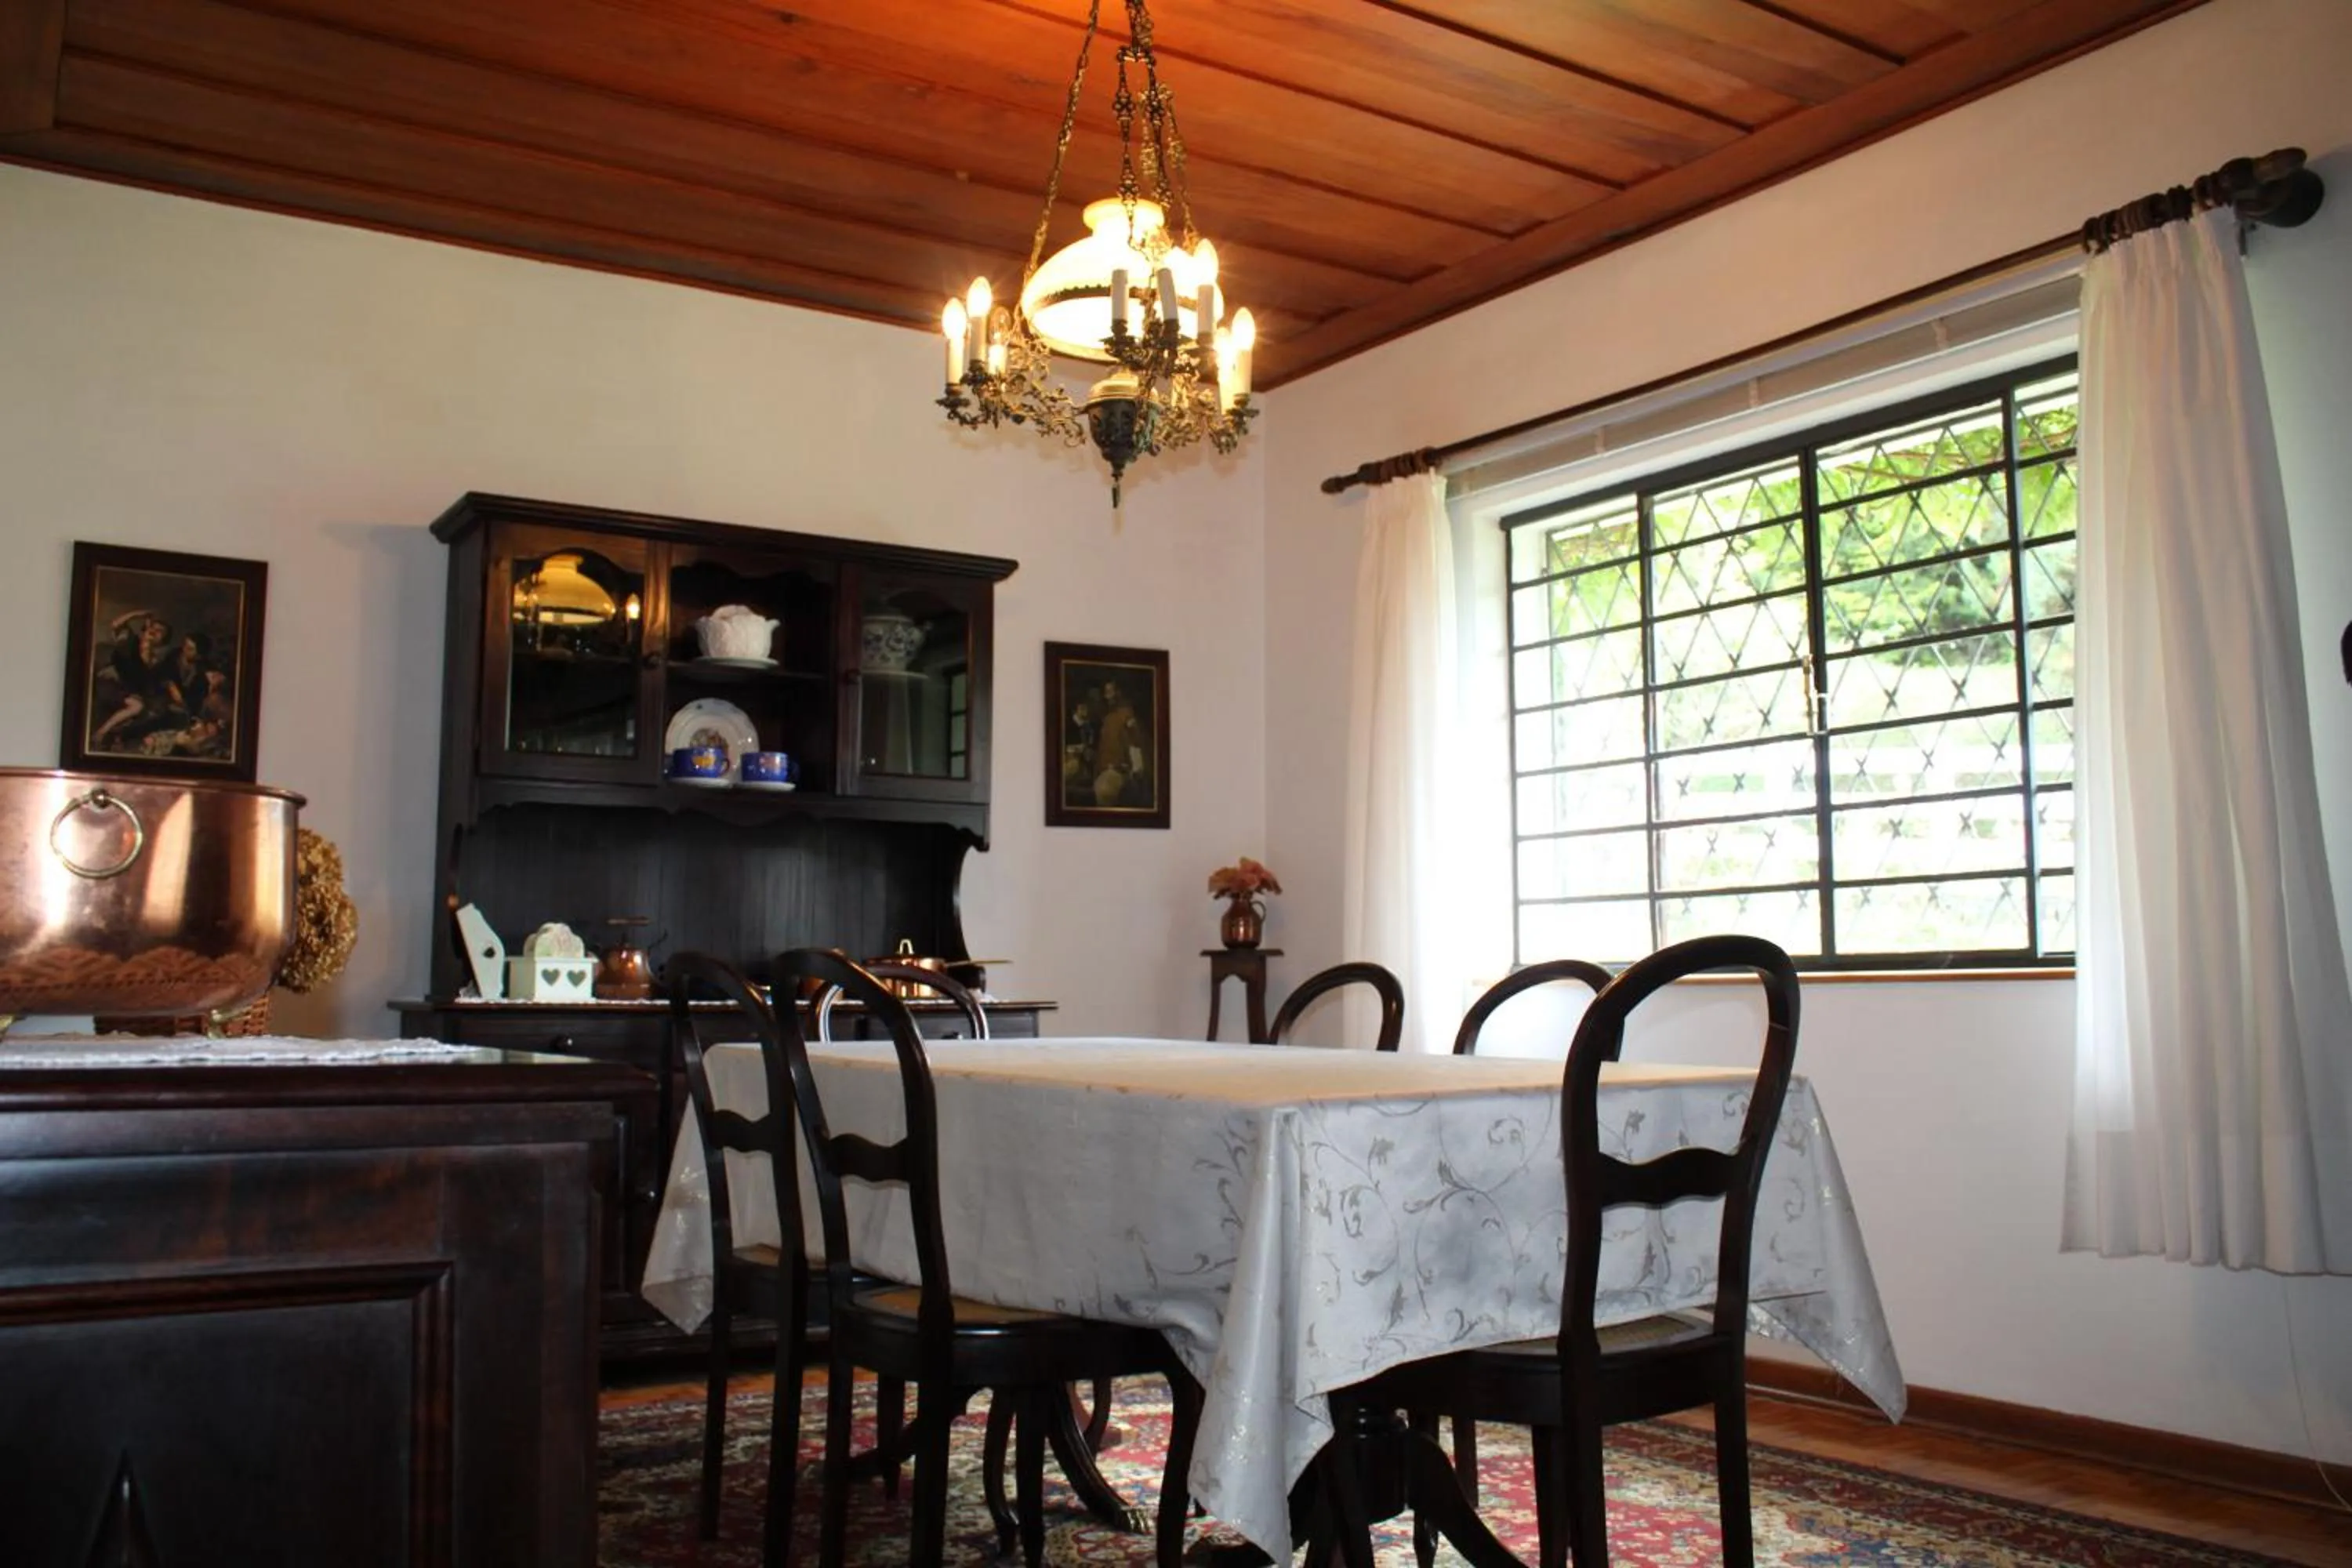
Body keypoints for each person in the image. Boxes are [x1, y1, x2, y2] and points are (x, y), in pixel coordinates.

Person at [1093, 678, 1143, 808]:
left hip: (1121, 770)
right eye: (1106, 692)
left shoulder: (1126, 713)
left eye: (1111, 691)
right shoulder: (1106, 718)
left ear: (1118, 693)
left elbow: (1135, 740)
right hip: (1105, 769)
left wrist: (1136, 767)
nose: (1108, 696)